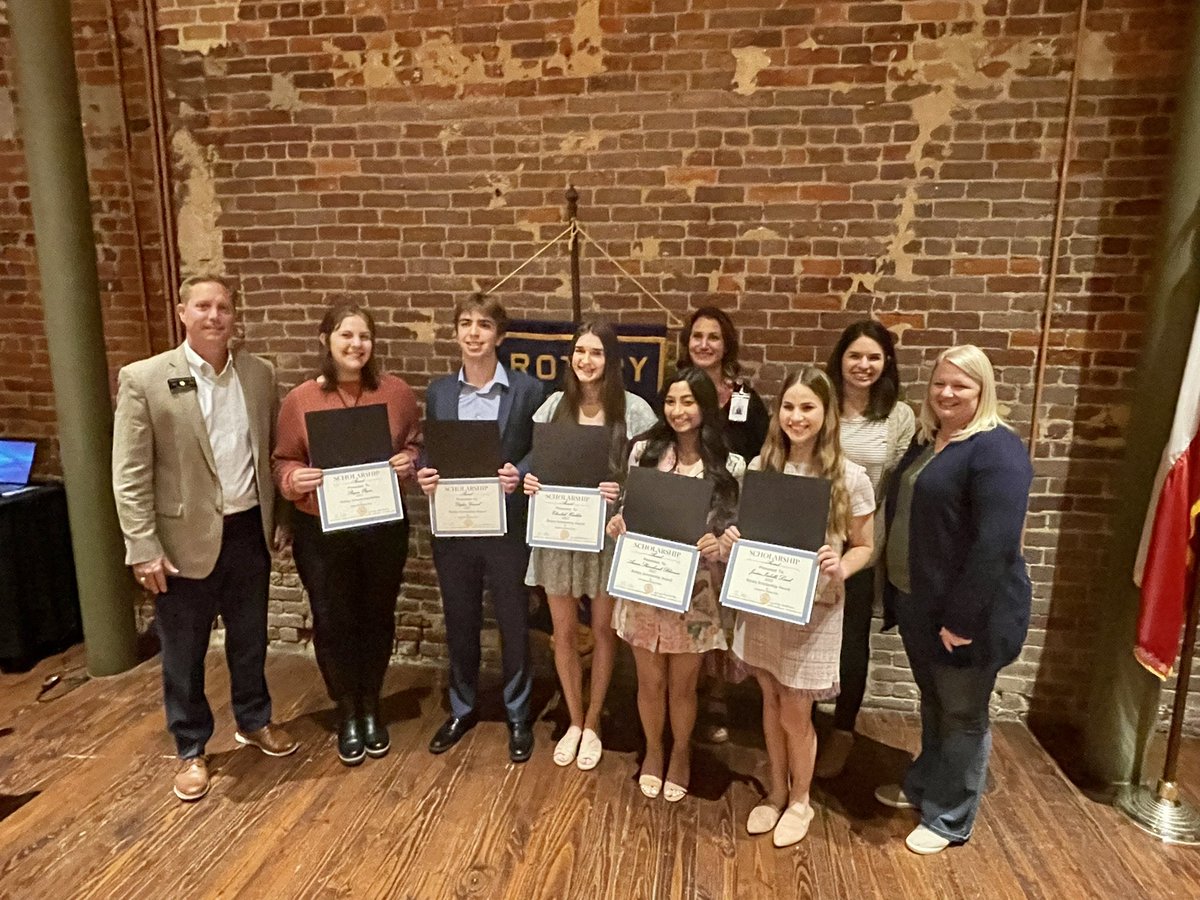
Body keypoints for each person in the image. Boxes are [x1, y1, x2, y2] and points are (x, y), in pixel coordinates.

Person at [112, 274, 297, 803]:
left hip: (246, 531)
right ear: (182, 313)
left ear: (234, 316)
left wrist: (278, 514)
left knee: (249, 638)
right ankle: (191, 747)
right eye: (203, 306)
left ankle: (254, 720)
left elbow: (269, 452)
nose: (214, 316)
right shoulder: (145, 379)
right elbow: (129, 472)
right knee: (184, 652)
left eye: (223, 307)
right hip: (179, 541)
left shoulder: (259, 375)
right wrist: (142, 546)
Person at [873, 345, 1033, 855]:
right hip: (921, 604)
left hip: (968, 615)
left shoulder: (996, 449)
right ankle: (926, 784)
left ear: (982, 391)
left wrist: (963, 617)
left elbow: (996, 544)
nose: (946, 393)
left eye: (960, 385)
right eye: (940, 383)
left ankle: (949, 816)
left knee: (963, 712)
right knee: (935, 701)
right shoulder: (930, 442)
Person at [724, 367, 875, 847]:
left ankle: (801, 799)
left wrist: (841, 564)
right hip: (764, 601)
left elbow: (865, 546)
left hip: (815, 609)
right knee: (769, 697)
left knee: (796, 709)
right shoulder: (761, 469)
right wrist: (733, 541)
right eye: (788, 406)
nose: (796, 416)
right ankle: (774, 791)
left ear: (827, 413)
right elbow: (751, 537)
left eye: (808, 407)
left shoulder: (851, 477)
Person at [272, 303, 421, 766]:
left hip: (381, 525)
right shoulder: (300, 400)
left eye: (364, 337)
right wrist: (293, 480)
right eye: (346, 335)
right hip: (320, 527)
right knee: (332, 620)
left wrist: (409, 462)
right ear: (326, 340)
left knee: (377, 615)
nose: (356, 345)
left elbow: (415, 445)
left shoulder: (397, 394)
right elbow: (283, 459)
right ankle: (347, 710)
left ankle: (372, 704)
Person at [606, 367, 744, 802]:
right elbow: (631, 511)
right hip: (645, 585)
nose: (678, 411)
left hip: (696, 593)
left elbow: (736, 534)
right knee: (649, 682)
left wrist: (719, 544)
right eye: (671, 401)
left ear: (705, 406)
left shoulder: (730, 464)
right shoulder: (644, 453)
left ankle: (681, 753)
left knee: (683, 685)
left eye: (688, 402)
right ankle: (653, 750)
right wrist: (619, 524)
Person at [524, 321, 657, 771]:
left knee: (603, 632)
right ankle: (574, 721)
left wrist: (619, 491)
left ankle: (595, 721)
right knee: (562, 633)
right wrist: (531, 481)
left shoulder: (635, 412)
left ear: (612, 361)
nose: (586, 360)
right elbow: (539, 465)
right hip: (559, 536)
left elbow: (648, 478)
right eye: (580, 351)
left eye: (596, 352)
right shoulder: (552, 408)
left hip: (605, 538)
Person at [418, 295, 544, 763]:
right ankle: (462, 707)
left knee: (513, 621)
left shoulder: (528, 390)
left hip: (507, 526)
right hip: (453, 526)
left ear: (500, 336)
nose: (474, 333)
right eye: (465, 324)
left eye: (484, 325)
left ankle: (517, 713)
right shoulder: (439, 392)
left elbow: (539, 449)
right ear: (456, 333)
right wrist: (424, 473)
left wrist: (521, 470)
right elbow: (431, 451)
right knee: (460, 619)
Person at [815, 320, 915, 778]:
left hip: (858, 544)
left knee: (852, 638)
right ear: (840, 359)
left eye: (874, 357)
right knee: (808, 631)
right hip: (812, 539)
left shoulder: (899, 417)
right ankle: (805, 719)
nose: (864, 365)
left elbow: (893, 487)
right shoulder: (822, 402)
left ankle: (844, 728)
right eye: (855, 355)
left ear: (886, 363)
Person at [679, 307, 770, 743]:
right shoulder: (677, 389)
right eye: (697, 335)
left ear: (726, 344)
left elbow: (762, 458)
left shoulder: (744, 399)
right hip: (684, 526)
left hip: (727, 526)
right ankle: (685, 691)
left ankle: (715, 694)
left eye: (713, 337)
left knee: (721, 613)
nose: (704, 344)